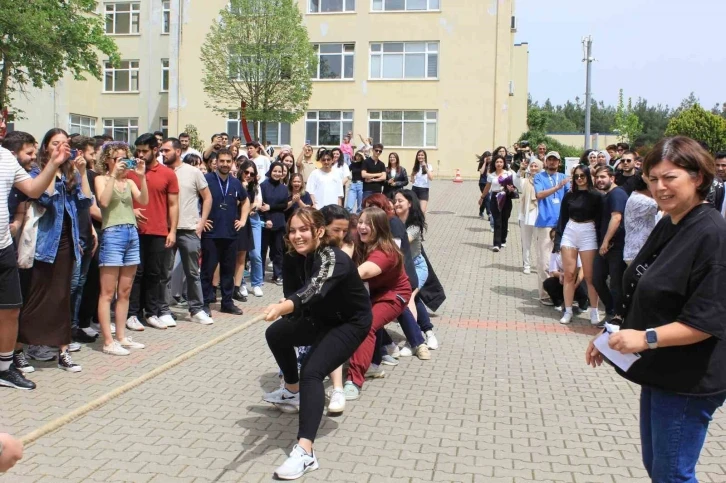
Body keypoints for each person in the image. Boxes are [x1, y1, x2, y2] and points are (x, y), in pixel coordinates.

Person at [585, 136, 726, 483]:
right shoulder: (671, 221)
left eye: (670, 178)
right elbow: (639, 284)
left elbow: (707, 321)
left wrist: (645, 338)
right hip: (661, 369)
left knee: (673, 475)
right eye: (652, 178)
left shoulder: (712, 235)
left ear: (697, 177)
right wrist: (612, 332)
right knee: (660, 469)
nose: (659, 187)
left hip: (690, 377)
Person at [262, 207, 372, 480]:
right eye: (292, 230)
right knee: (276, 334)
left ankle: (305, 452)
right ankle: (292, 391)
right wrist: (288, 306)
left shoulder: (332, 257)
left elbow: (314, 288)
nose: (297, 236)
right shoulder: (294, 257)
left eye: (304, 230)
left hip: (349, 323)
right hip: (320, 317)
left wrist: (288, 305)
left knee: (312, 371)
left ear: (318, 232)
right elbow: (295, 291)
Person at [16, 128, 92, 373]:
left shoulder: (70, 172)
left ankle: (63, 352)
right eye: (56, 143)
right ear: (46, 147)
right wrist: (54, 165)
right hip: (44, 244)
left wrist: (81, 172)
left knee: (62, 300)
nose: (62, 147)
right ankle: (17, 351)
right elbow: (45, 199)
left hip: (68, 244)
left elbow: (84, 203)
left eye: (65, 143)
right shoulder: (38, 171)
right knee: (34, 299)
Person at [0, 139, 71, 389]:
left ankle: (5, 369)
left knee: (10, 309)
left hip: (3, 246)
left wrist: (53, 164)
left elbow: (33, 190)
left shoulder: (7, 158)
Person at [343, 207, 412, 400]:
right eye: (361, 222)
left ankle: (354, 381)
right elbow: (346, 249)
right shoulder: (361, 240)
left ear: (380, 228)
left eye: (368, 224)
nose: (362, 227)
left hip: (394, 295)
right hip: (373, 291)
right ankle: (374, 361)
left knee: (367, 325)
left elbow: (361, 273)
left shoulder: (386, 252)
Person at [94, 141, 149, 356]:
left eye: (124, 158)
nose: (121, 162)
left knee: (125, 291)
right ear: (107, 160)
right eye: (117, 158)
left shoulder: (129, 182)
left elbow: (144, 199)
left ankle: (121, 336)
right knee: (107, 292)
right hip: (113, 233)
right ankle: (108, 341)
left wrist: (142, 177)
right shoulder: (101, 179)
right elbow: (104, 202)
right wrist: (114, 175)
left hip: (131, 233)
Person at [127, 133, 179, 330]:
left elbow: (173, 205)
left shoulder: (168, 174)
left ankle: (152, 312)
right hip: (133, 230)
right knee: (135, 274)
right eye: (138, 150)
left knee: (155, 273)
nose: (140, 154)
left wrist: (172, 230)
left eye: (144, 151)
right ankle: (132, 313)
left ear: (155, 150)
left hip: (158, 231)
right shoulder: (129, 171)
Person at [160, 138, 214, 325]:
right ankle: (164, 309)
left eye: (166, 150)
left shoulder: (193, 172)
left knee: (192, 272)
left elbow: (207, 197)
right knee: (164, 272)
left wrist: (202, 221)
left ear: (177, 151)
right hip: (165, 229)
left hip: (188, 229)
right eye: (162, 150)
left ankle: (196, 309)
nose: (163, 153)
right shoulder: (160, 171)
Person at [201, 148, 247, 315]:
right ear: (216, 162)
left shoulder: (235, 183)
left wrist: (242, 220)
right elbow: (195, 201)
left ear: (232, 163)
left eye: (228, 161)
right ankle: (204, 303)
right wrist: (201, 220)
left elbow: (246, 201)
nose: (225, 164)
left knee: (228, 270)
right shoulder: (206, 180)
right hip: (211, 233)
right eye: (222, 161)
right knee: (207, 270)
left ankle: (227, 302)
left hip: (230, 233)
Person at [554, 165, 602, 325]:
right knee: (568, 274)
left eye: (582, 175)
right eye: (576, 176)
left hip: (588, 231)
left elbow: (601, 220)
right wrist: (557, 241)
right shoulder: (569, 196)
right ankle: (567, 310)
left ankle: (594, 311)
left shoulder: (597, 196)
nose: (579, 178)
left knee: (589, 276)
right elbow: (562, 219)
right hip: (571, 230)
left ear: (588, 176)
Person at [589, 165, 629, 326]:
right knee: (597, 278)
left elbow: (617, 218)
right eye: (597, 177)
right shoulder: (606, 195)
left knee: (615, 284)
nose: (599, 180)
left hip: (616, 246)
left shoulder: (617, 194)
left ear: (612, 178)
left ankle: (618, 316)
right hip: (605, 246)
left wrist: (605, 241)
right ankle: (611, 311)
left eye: (603, 177)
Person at [533, 151, 570, 305]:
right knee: (545, 261)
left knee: (564, 260)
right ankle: (544, 294)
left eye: (555, 160)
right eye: (550, 160)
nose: (553, 162)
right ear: (546, 162)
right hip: (545, 223)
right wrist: (557, 188)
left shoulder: (563, 177)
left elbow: (570, 196)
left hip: (562, 223)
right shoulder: (539, 177)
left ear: (559, 162)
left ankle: (564, 294)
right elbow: (539, 194)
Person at [542, 229, 589, 310]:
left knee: (583, 284)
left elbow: (582, 269)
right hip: (564, 279)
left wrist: (576, 283)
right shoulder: (554, 253)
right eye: (553, 238)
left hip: (577, 277)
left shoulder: (574, 249)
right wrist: (561, 275)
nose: (555, 240)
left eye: (556, 237)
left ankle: (583, 302)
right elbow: (553, 271)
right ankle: (559, 302)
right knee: (548, 283)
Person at [478, 155, 516, 252]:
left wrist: (511, 188)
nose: (499, 164)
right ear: (494, 164)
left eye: (501, 162)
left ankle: (503, 240)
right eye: (497, 162)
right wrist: (482, 197)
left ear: (504, 163)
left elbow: (513, 185)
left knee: (505, 220)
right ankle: (496, 244)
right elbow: (487, 187)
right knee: (497, 221)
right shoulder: (491, 175)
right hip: (495, 198)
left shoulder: (508, 174)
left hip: (506, 197)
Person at [260, 161, 289, 285]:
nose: (277, 173)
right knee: (262, 251)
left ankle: (278, 275)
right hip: (265, 222)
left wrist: (271, 207)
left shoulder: (284, 188)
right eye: (275, 171)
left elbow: (284, 205)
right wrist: (267, 218)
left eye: (280, 172)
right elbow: (261, 204)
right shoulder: (263, 185)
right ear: (270, 171)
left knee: (278, 251)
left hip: (279, 222)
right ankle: (259, 275)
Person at [238, 160, 264, 298]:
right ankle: (240, 283)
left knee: (256, 254)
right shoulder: (236, 184)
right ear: (241, 170)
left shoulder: (255, 186)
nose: (248, 175)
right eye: (246, 172)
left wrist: (252, 206)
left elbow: (258, 203)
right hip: (240, 221)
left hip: (253, 220)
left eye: (252, 174)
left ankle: (257, 284)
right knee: (240, 255)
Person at [514, 159, 542, 274]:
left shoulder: (544, 181)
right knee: (526, 243)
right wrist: (521, 169)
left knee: (539, 244)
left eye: (536, 166)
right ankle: (527, 265)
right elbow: (516, 181)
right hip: (525, 216)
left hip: (539, 216)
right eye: (532, 166)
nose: (534, 168)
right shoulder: (525, 181)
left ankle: (540, 265)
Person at [623, 174, 658, 264]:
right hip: (638, 253)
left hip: (639, 252)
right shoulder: (641, 200)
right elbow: (666, 206)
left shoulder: (638, 198)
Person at [477, 151, 492, 219]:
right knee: (487, 198)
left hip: (489, 183)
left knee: (485, 198)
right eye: (487, 158)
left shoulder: (492, 164)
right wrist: (485, 162)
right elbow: (482, 171)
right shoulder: (482, 163)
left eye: (490, 158)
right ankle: (489, 214)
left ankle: (481, 212)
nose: (489, 160)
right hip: (483, 183)